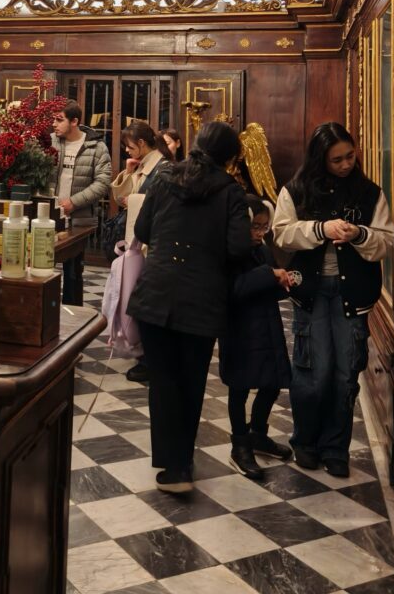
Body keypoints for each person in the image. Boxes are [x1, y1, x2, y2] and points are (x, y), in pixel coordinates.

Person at [127, 121, 251, 494]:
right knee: (191, 381)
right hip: (202, 298)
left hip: (157, 292)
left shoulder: (166, 178)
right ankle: (181, 464)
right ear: (229, 158)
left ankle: (172, 466)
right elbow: (239, 248)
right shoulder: (231, 192)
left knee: (163, 380)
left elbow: (143, 230)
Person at [273, 121, 394, 478]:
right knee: (313, 371)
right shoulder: (296, 190)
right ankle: (305, 442)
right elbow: (281, 234)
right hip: (310, 293)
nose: (345, 165)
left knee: (345, 374)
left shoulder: (370, 193)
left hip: (352, 294)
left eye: (350, 156)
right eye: (336, 159)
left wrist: (359, 234)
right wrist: (320, 229)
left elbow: (387, 241)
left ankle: (335, 448)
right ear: (319, 159)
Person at [220, 195, 293, 481]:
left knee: (271, 383)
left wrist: (283, 282)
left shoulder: (262, 249)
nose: (261, 233)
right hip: (239, 329)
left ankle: (258, 434)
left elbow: (268, 283)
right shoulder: (229, 252)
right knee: (239, 388)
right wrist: (269, 274)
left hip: (267, 326)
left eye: (264, 227)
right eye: (255, 226)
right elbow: (233, 289)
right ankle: (239, 445)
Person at [110, 120, 170, 383]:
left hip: (150, 247)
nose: (127, 151)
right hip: (137, 245)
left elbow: (159, 206)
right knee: (132, 298)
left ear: (143, 144)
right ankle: (142, 352)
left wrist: (133, 200)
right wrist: (128, 172)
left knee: (145, 302)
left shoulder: (164, 169)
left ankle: (149, 359)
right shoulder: (143, 166)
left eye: (129, 146)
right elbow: (119, 198)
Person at [51, 101, 112, 304]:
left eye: (59, 119)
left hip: (78, 219)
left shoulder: (96, 147)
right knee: (42, 269)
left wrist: (73, 203)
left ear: (74, 121)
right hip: (48, 217)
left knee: (73, 273)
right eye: (53, 119)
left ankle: (73, 316)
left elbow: (103, 183)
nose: (54, 124)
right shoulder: (50, 142)